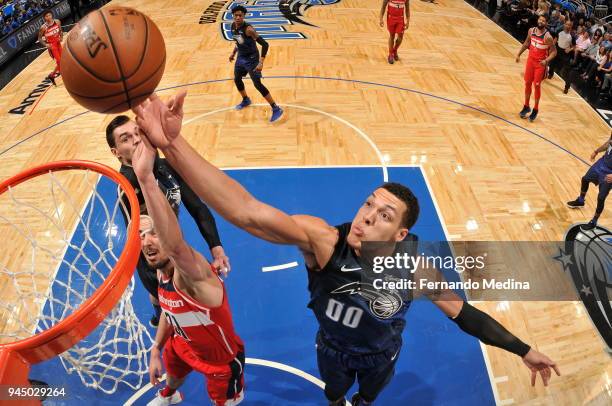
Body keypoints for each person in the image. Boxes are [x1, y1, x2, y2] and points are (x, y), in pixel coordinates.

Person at [131, 92, 561, 406]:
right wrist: (171, 144)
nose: (368, 215)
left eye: (385, 215)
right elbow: (246, 211)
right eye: (369, 203)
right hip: (331, 347)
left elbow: (465, 315)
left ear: (399, 235)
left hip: (382, 354)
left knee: (368, 397)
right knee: (334, 394)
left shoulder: (415, 266)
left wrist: (523, 350)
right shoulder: (323, 242)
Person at [130, 134, 245, 406]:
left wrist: (146, 178)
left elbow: (177, 246)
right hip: (182, 345)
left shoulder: (191, 274)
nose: (146, 242)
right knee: (173, 373)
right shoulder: (160, 270)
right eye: (142, 235)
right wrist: (156, 349)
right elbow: (169, 312)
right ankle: (170, 395)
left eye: (154, 233)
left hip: (219, 361)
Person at [106, 115, 229, 327]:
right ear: (116, 153)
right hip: (152, 256)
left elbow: (197, 207)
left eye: (138, 133)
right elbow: (144, 244)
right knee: (170, 305)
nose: (136, 140)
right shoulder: (127, 186)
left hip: (173, 247)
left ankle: (159, 313)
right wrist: (161, 280)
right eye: (126, 139)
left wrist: (216, 247)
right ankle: (159, 313)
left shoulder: (165, 167)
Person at [228, 5, 283, 122]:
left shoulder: (249, 30)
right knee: (237, 79)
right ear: (233, 16)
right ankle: (246, 100)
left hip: (252, 59)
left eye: (240, 15)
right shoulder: (233, 26)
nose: (238, 17)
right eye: (236, 15)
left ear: (243, 16)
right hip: (241, 56)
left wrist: (261, 62)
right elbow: (238, 42)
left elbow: (265, 44)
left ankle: (276, 108)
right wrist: (233, 53)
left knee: (257, 84)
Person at [567, 130, 612, 230]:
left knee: (601, 197)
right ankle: (581, 200)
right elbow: (609, 143)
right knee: (585, 179)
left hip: (610, 173)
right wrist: (596, 151)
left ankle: (594, 221)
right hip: (602, 164)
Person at [379, 0, 410, 64]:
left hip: (400, 19)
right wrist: (381, 18)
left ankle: (395, 50)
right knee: (392, 36)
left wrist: (408, 20)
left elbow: (407, 9)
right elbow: (383, 7)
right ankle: (390, 54)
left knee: (400, 37)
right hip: (391, 18)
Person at [37, 10, 62, 86]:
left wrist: (62, 36)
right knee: (60, 62)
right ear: (44, 18)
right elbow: (39, 38)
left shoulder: (57, 21)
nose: (48, 17)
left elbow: (60, 30)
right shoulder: (43, 27)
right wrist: (45, 44)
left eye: (49, 15)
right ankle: (53, 75)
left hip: (58, 43)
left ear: (52, 15)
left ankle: (52, 76)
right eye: (46, 16)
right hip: (52, 46)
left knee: (62, 61)